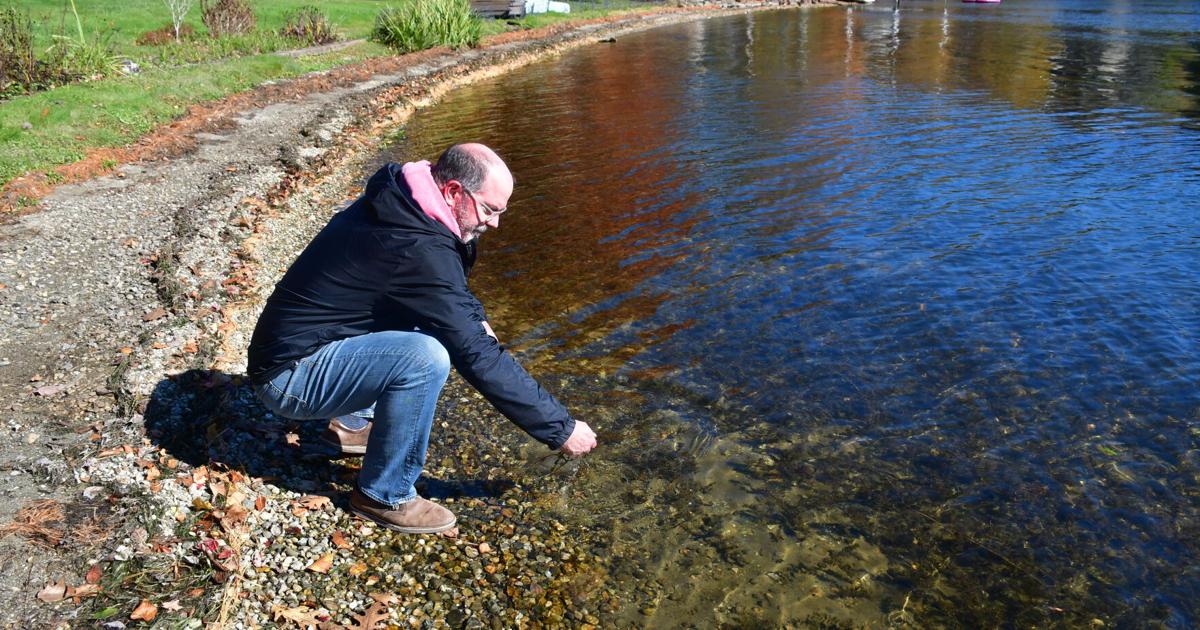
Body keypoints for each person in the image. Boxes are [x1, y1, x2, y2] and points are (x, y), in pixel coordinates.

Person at [246, 143, 597, 534]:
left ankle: (351, 425)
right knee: (425, 355)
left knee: (432, 323)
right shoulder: (416, 245)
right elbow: (474, 354)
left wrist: (475, 320)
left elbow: (444, 292)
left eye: (501, 211)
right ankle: (384, 495)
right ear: (453, 191)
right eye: (489, 210)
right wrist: (560, 428)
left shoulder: (405, 200)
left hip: (301, 347)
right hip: (289, 377)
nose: (495, 223)